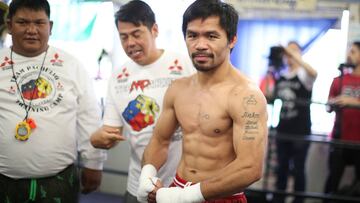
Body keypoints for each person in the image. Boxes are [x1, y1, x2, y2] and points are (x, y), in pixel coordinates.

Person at [137, 0, 268, 202]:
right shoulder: (178, 89)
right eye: (192, 35)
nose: (200, 45)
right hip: (177, 187)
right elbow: (160, 141)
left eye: (211, 36)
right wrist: (147, 174)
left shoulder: (245, 96)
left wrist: (185, 196)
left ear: (232, 40)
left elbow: (250, 167)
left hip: (222, 196)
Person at [0, 0, 106, 202]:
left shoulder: (72, 65)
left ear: (51, 27)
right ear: (10, 25)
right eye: (23, 22)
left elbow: (88, 117)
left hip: (60, 181)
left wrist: (94, 163)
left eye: (39, 23)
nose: (32, 30)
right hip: (4, 182)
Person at [89, 1, 194, 202]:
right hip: (139, 187)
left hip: (183, 186)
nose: (130, 43)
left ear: (154, 30)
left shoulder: (185, 65)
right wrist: (96, 139)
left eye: (136, 34)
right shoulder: (119, 77)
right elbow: (111, 134)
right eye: (124, 37)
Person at [272, 41, 317, 203]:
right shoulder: (282, 75)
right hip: (283, 129)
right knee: (281, 169)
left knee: (298, 171)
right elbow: (271, 96)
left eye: (294, 52)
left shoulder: (304, 75)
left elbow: (314, 72)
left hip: (300, 131)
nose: (289, 55)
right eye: (287, 52)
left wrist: (295, 56)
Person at [324, 41, 360, 202]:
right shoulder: (338, 80)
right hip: (339, 140)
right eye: (348, 51)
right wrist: (333, 103)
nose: (348, 55)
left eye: (353, 52)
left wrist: (353, 101)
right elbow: (327, 107)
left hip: (358, 142)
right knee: (332, 182)